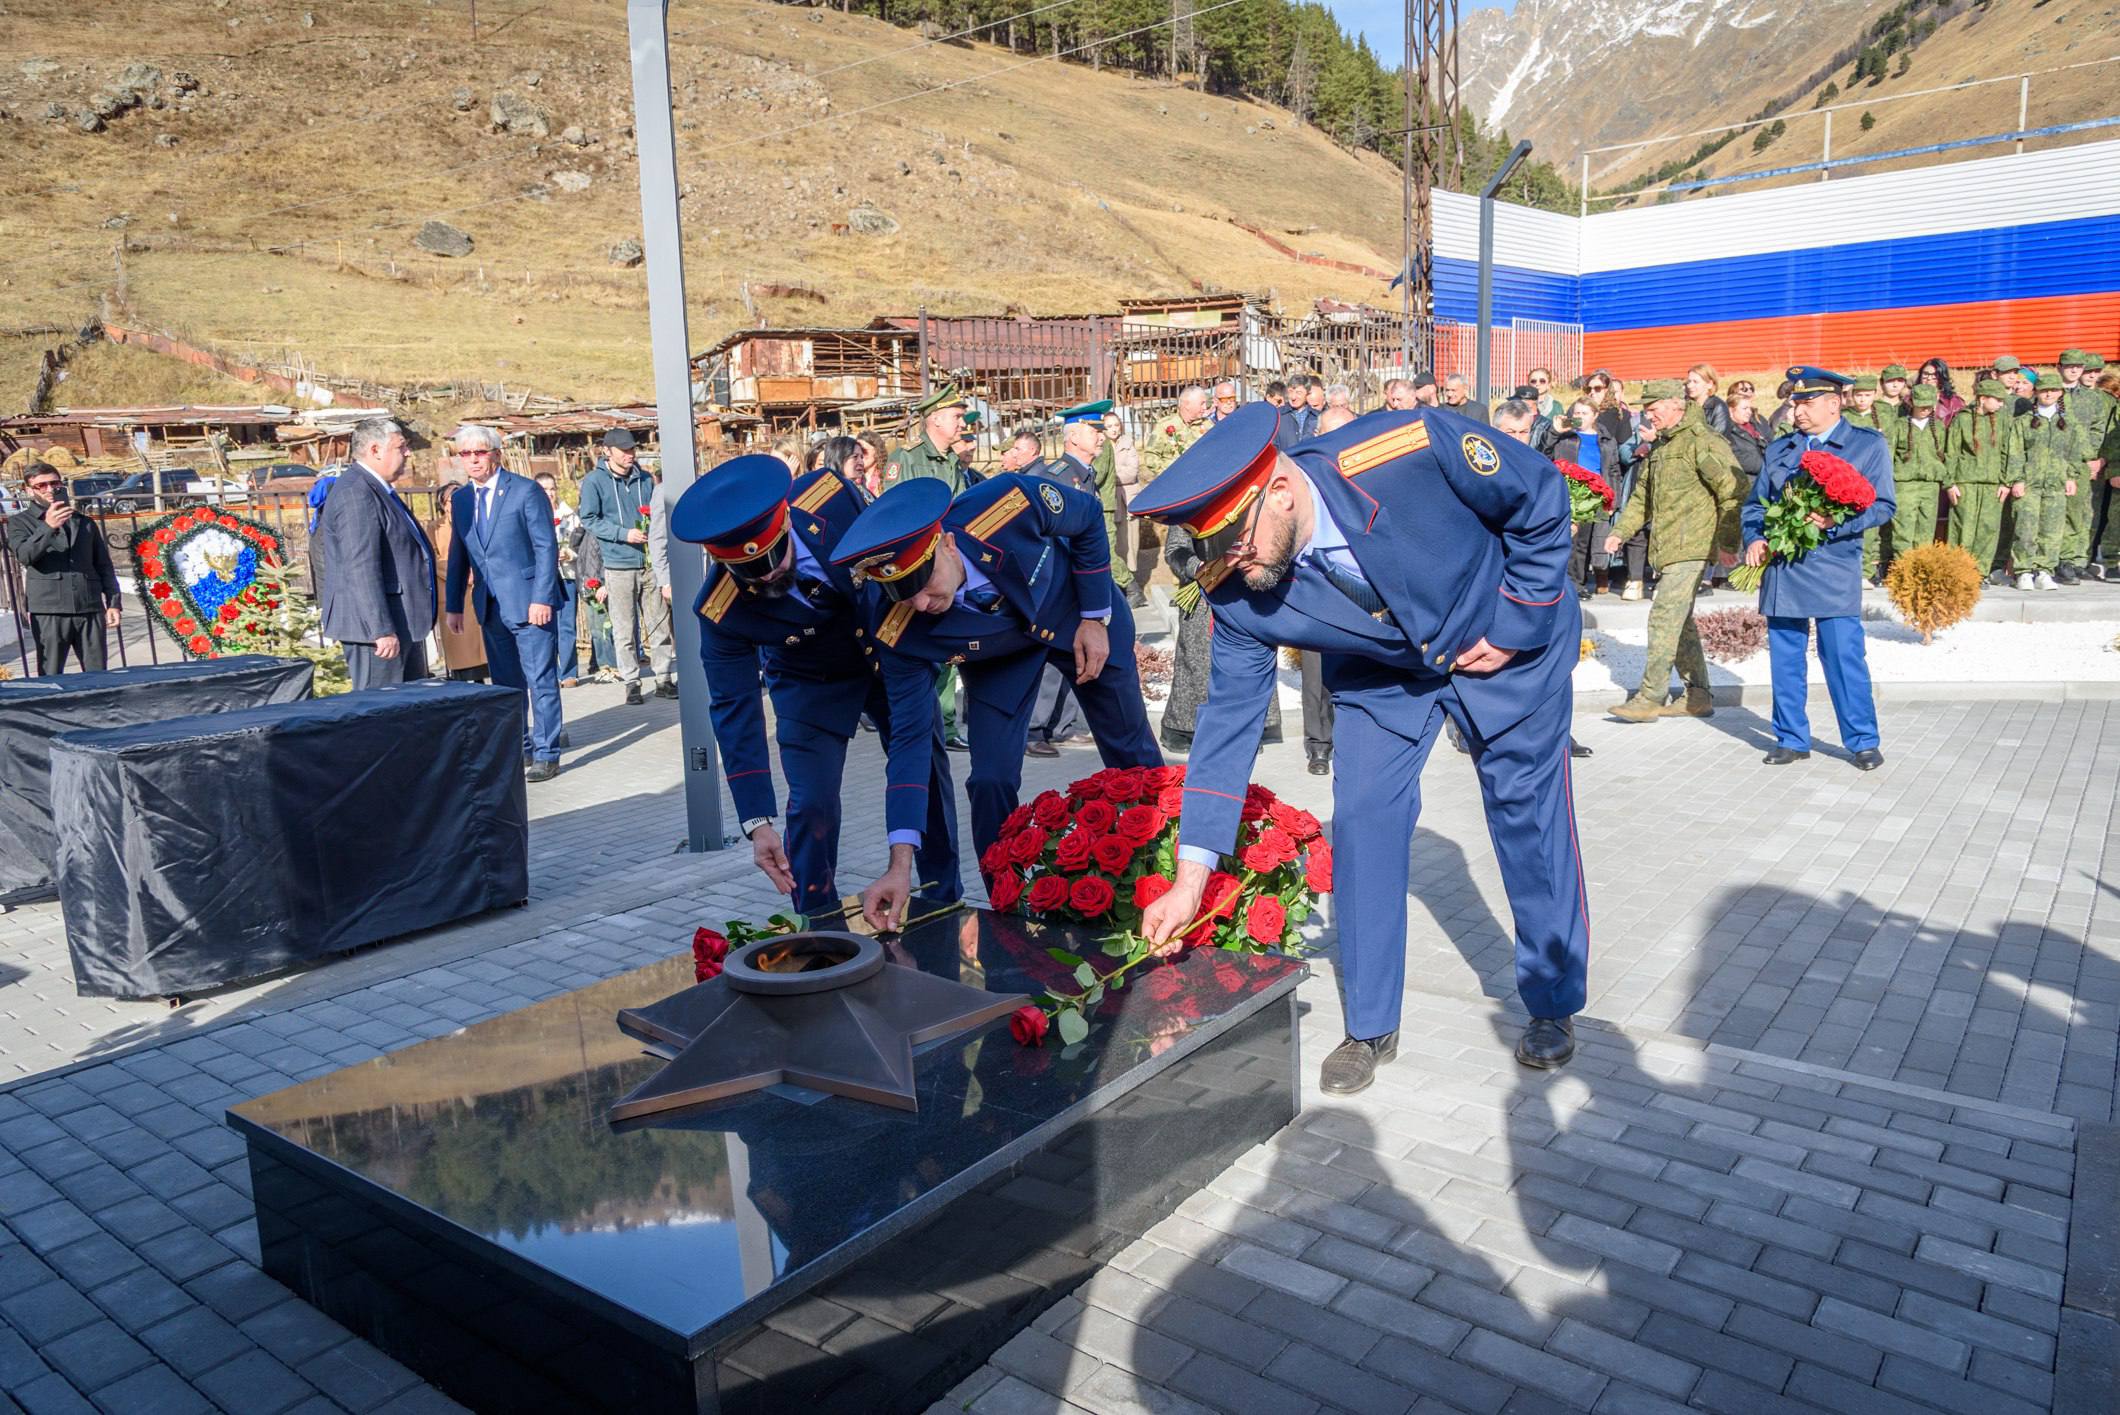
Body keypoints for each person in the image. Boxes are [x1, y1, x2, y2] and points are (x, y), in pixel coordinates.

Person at [1130, 404, 1588, 1082]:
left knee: (1527, 817)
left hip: (1501, 644)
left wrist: (1517, 621)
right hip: (1385, 677)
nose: (1236, 560)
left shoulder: (1408, 448)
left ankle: (1552, 1000)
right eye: (1218, 547)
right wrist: (1188, 882)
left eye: (1240, 539)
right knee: (1363, 819)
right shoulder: (1236, 587)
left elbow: (1540, 496)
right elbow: (1226, 726)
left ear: (1280, 492)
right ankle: (1370, 1026)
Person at [676, 455, 961, 925]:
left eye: (773, 559)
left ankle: (940, 900)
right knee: (811, 804)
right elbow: (734, 708)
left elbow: (890, 560)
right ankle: (818, 924)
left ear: (787, 520)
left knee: (925, 773)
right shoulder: (720, 610)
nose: (766, 576)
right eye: (749, 572)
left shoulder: (833, 499)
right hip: (811, 683)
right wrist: (757, 821)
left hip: (889, 657)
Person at [832, 473, 1161, 859]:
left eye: (924, 582)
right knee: (990, 781)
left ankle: (1161, 855)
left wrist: (1094, 617)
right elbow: (909, 739)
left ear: (948, 545)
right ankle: (1003, 887)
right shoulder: (895, 626)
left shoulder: (1007, 504)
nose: (920, 604)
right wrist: (901, 856)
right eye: (903, 595)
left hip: (1077, 616)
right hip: (998, 657)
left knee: (1132, 754)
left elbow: (1088, 515)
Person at [1741, 368, 1893, 770]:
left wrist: (1835, 522)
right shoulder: (1781, 448)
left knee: (1843, 657)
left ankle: (1862, 741)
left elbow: (1882, 506)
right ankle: (1791, 739)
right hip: (1784, 569)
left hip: (1833, 567)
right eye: (1795, 403)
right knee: (1786, 661)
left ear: (1834, 403)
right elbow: (1755, 506)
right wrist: (1754, 538)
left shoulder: (1866, 445)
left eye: (1806, 403)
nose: (1798, 411)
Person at [1605, 379, 1743, 724]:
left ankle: (1650, 697)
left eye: (1654, 410)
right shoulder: (1664, 445)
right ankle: (1698, 697)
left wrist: (1729, 542)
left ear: (1675, 405)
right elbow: (1642, 497)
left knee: (1664, 616)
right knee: (1679, 622)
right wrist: (1620, 532)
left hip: (1693, 545)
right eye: (1646, 411)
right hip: (1668, 547)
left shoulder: (1702, 441)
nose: (1649, 417)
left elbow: (1732, 490)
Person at [442, 426, 565, 781]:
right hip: (490, 605)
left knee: (540, 679)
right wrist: (454, 605)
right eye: (465, 454)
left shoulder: (525, 491)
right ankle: (519, 747)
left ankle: (546, 752)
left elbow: (546, 547)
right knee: (506, 684)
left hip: (529, 603)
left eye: (479, 452)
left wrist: (541, 597)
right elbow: (459, 553)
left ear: (496, 454)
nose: (473, 460)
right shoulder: (463, 499)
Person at [315, 416, 436, 691]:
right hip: (377, 633)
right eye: (401, 446)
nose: (408, 453)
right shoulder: (356, 492)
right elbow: (360, 567)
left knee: (411, 707)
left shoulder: (377, 488)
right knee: (381, 710)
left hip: (401, 623)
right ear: (375, 450)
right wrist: (380, 629)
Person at [577, 428, 672, 704]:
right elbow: (589, 519)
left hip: (649, 563)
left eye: (632, 449)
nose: (630, 454)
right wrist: (623, 534)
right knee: (624, 628)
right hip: (618, 565)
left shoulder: (645, 479)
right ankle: (631, 682)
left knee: (659, 624)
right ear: (607, 451)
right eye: (624, 450)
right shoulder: (594, 481)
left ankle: (664, 678)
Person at [5, 464, 119, 674]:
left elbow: (103, 565)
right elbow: (25, 556)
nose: (50, 489)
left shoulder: (84, 522)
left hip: (89, 606)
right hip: (49, 610)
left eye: (54, 483)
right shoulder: (18, 522)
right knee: (51, 675)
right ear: (29, 490)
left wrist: (113, 603)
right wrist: (48, 527)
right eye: (41, 485)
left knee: (98, 675)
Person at [2011, 373, 2095, 590]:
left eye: (2053, 390)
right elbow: (2015, 452)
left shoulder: (2067, 423)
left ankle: (2044, 570)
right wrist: (2017, 479)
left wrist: (2071, 476)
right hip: (2030, 483)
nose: (2048, 394)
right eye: (2044, 390)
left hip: (2056, 484)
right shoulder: (2023, 422)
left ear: (2060, 393)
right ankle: (2024, 571)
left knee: (2052, 530)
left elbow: (2074, 452)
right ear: (2036, 392)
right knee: (2026, 528)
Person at [1943, 377, 2021, 584]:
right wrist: (1949, 483)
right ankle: (1957, 572)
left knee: (1988, 529)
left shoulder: (2003, 420)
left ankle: (1980, 573)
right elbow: (1951, 451)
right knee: (1963, 528)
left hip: (1993, 483)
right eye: (1997, 400)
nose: (2001, 404)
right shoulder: (1962, 419)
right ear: (1983, 398)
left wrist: (2006, 482)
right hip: (1965, 482)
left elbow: (2008, 451)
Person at [2056, 350, 2114, 581]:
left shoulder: (2098, 399)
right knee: (2059, 513)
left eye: (2095, 371)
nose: (2090, 375)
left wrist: (2096, 458)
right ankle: (2058, 560)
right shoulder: (2053, 393)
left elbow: (2102, 431)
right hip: (2056, 462)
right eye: (2087, 370)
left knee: (2086, 513)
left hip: (2087, 464)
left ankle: (2079, 559)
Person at [1890, 384, 1950, 561]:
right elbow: (1889, 454)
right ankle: (1903, 568)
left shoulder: (1938, 427)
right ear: (1912, 403)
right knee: (1903, 529)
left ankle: (1922, 568)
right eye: (1921, 405)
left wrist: (1945, 479)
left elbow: (1946, 455)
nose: (1925, 409)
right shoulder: (1899, 425)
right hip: (1904, 485)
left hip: (1931, 485)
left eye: (1928, 406)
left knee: (1926, 529)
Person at [539, 472, 586, 687]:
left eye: (552, 489)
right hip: (544, 578)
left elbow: (580, 545)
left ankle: (568, 673)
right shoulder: (532, 515)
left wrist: (568, 554)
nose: (549, 493)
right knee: (546, 627)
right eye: (544, 489)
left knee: (567, 625)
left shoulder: (569, 516)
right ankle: (550, 672)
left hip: (566, 574)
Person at [888, 385, 973, 491]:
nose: (963, 424)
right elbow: (896, 500)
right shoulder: (906, 457)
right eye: (957, 417)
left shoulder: (953, 458)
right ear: (936, 419)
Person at [1139, 386, 1213, 485]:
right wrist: (1168, 474)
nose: (1205, 407)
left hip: (1200, 481)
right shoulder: (1164, 425)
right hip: (1172, 483)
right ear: (1187, 405)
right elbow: (1150, 455)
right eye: (1202, 403)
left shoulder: (1208, 425)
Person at [1724, 378, 1772, 481]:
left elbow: (1771, 441)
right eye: (1745, 408)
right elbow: (1739, 458)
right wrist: (1768, 467)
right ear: (1731, 411)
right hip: (1748, 481)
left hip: (1766, 475)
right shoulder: (1727, 431)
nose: (1749, 412)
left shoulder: (1756, 423)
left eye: (1750, 408)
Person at [1686, 363, 1731, 436]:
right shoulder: (1686, 405)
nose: (1690, 386)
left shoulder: (1718, 407)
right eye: (1689, 381)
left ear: (1709, 384)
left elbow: (1718, 437)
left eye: (1695, 382)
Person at [1916, 358, 1965, 422]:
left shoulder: (1954, 403)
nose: (1929, 378)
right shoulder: (1908, 401)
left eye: (1935, 375)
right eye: (1925, 374)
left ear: (1942, 377)